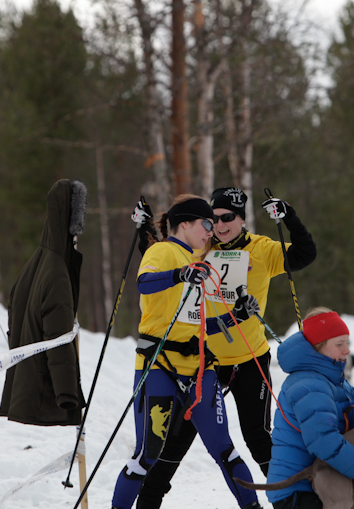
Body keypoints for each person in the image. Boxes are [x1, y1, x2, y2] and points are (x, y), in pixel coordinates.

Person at [136, 187, 317, 508]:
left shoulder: (261, 248)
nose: (219, 225)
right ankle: (148, 502)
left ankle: (293, 502)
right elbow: (165, 262)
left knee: (259, 438)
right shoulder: (201, 247)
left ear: (242, 219)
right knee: (175, 441)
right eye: (213, 219)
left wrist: (288, 216)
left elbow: (304, 254)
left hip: (249, 359)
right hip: (204, 361)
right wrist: (144, 231)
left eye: (227, 218)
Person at [111, 195, 262, 509]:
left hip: (199, 370)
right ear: (185, 223)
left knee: (224, 449)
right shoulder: (162, 251)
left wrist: (237, 315)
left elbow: (199, 322)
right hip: (159, 366)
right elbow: (144, 283)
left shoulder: (198, 263)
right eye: (206, 223)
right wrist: (179, 275)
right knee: (148, 453)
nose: (211, 230)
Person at [267, 309, 354, 509]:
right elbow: (323, 439)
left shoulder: (334, 381)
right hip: (297, 492)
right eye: (339, 344)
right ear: (318, 347)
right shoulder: (308, 386)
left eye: (347, 343)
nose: (347, 350)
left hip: (324, 481)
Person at [0, 179, 87, 426]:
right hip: (42, 391)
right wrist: (67, 393)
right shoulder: (57, 273)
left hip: (25, 383)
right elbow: (57, 336)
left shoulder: (36, 262)